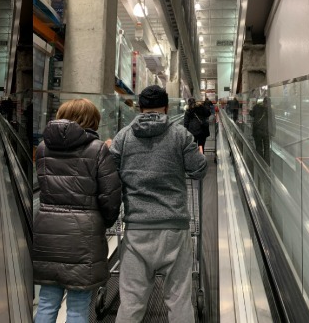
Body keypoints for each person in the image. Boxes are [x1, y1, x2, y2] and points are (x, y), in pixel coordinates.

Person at [110, 85, 207, 322]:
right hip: (174, 228)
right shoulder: (180, 135)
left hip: (137, 229)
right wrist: (200, 156)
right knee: (179, 300)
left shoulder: (124, 136)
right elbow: (198, 170)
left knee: (131, 302)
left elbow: (109, 172)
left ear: (139, 107)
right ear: (166, 107)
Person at [33, 99, 122, 323]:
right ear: (91, 120)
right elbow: (110, 196)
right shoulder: (98, 149)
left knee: (46, 301)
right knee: (78, 305)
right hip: (84, 234)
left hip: (48, 231)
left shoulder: (42, 148)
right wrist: (103, 222)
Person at [250, 97, 276, 164]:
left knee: (259, 147)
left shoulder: (257, 107)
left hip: (258, 131)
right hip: (267, 132)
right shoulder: (270, 110)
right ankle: (266, 164)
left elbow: (251, 114)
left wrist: (251, 108)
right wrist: (273, 132)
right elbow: (273, 121)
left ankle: (259, 163)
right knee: (267, 149)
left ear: (263, 102)